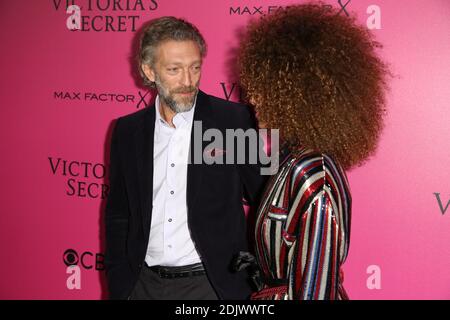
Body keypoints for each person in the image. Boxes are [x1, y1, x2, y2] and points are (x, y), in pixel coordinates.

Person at [104, 16, 267, 300]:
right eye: (174, 70)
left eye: (194, 68)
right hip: (140, 285)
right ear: (149, 70)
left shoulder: (232, 121)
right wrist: (120, 284)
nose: (187, 81)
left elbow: (267, 198)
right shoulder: (127, 131)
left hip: (211, 286)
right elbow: (119, 213)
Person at [235, 3, 389, 299]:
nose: (251, 98)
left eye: (262, 89)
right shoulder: (292, 162)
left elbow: (316, 286)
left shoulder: (313, 173)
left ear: (296, 96)